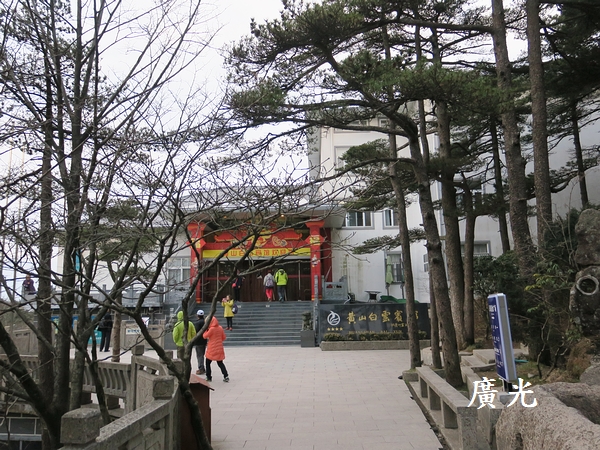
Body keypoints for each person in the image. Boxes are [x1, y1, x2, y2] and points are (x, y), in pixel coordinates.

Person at [202, 316, 229, 382]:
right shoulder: (220, 328)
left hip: (211, 348)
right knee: (220, 363)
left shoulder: (211, 329)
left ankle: (208, 377)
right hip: (219, 348)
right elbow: (224, 337)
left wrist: (205, 330)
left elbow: (204, 336)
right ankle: (226, 376)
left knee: (208, 363)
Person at [194, 310, 207, 375]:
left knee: (199, 356)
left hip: (198, 341)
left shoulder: (197, 323)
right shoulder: (205, 322)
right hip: (204, 341)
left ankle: (201, 368)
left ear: (197, 315)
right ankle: (202, 368)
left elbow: (195, 332)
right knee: (202, 355)